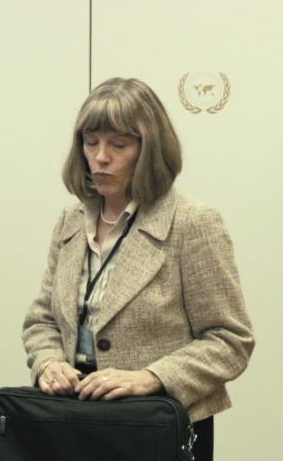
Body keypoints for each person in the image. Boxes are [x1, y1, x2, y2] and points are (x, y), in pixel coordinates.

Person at [21, 77, 254, 460]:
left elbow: (230, 340)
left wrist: (153, 377)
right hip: (74, 422)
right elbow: (41, 320)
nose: (100, 157)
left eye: (119, 145)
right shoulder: (71, 221)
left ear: (150, 149)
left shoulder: (193, 223)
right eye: (90, 142)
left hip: (158, 428)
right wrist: (48, 362)